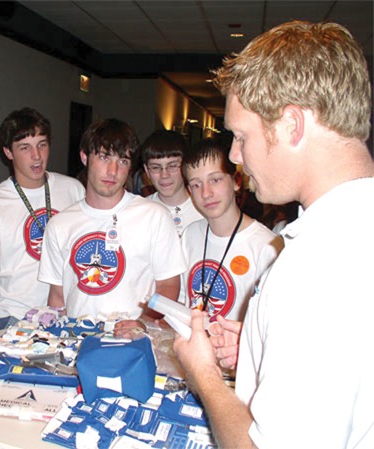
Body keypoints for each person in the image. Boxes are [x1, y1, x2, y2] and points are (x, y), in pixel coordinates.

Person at [172, 21, 374, 448]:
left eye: (241, 136)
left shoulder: (314, 269)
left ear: (292, 125)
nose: (234, 155)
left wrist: (204, 375)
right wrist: (259, 349)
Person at [38, 118, 186, 337]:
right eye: (104, 157)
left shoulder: (154, 216)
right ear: (84, 157)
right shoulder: (60, 224)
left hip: (132, 342)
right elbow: (58, 296)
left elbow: (168, 285)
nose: (113, 170)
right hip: (77, 342)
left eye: (123, 161)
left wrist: (143, 322)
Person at [0, 107, 84, 347]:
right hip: (15, 317)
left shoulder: (73, 189)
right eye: (25, 148)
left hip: (66, 315)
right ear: (8, 152)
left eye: (42, 145)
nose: (37, 156)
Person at [179, 137, 283, 322]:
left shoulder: (267, 246)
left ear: (236, 181)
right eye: (196, 185)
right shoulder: (190, 234)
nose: (206, 193)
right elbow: (182, 300)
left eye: (215, 180)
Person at [141, 129, 203, 235]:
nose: (164, 175)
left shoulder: (203, 209)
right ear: (147, 171)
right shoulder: (141, 212)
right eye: (156, 167)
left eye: (173, 166)